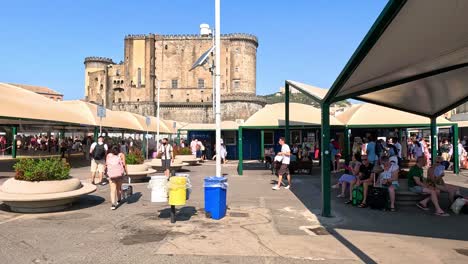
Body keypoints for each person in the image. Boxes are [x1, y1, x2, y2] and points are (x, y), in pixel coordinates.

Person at [106, 145, 127, 210]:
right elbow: (124, 164)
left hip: (111, 175)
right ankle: (119, 199)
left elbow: (106, 164)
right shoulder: (121, 155)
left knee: (112, 190)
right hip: (119, 174)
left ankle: (113, 204)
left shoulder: (109, 155)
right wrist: (126, 172)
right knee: (119, 188)